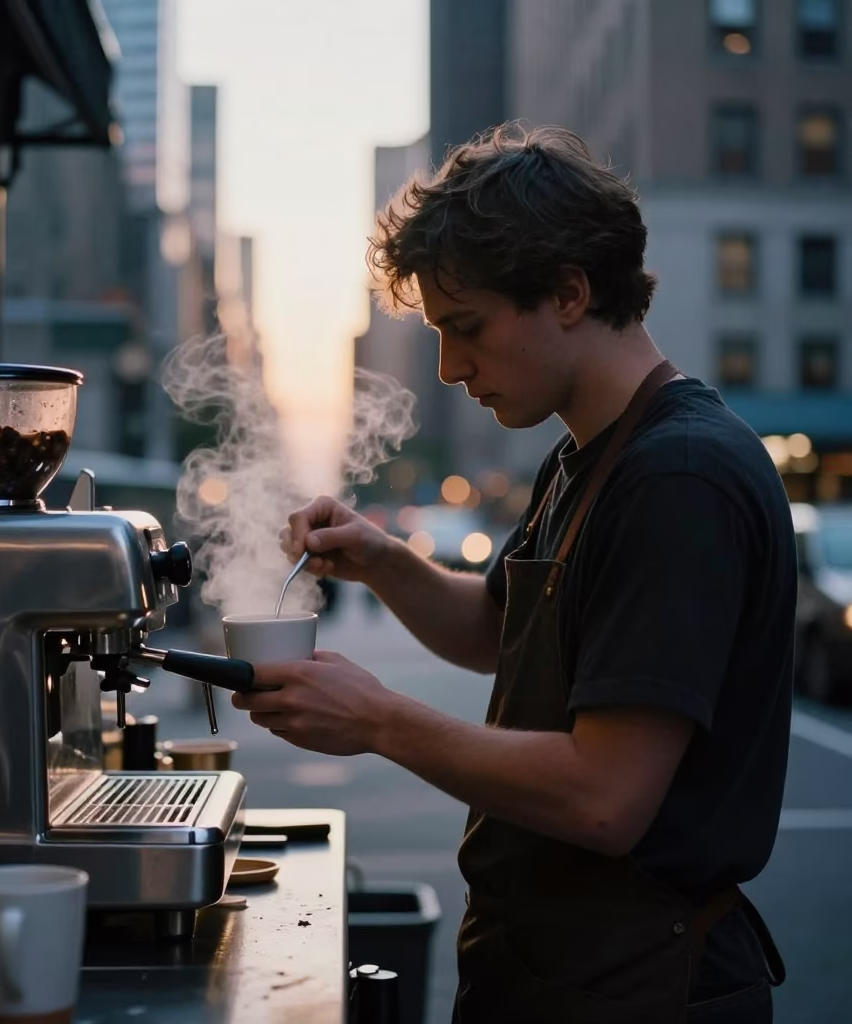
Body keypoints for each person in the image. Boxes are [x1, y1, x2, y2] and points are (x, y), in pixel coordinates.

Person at [232, 122, 795, 1023]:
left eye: (467, 329)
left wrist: (377, 718)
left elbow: (605, 798)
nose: (451, 368)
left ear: (569, 292)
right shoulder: (584, 456)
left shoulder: (678, 477)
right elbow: (499, 631)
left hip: (640, 987)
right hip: (556, 968)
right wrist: (381, 559)